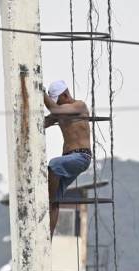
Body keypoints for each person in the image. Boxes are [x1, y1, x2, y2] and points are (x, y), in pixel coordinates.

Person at [44, 80, 92, 236]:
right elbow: (45, 121)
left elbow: (55, 110)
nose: (59, 104)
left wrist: (41, 93)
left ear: (65, 94)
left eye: (59, 100)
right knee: (55, 201)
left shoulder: (79, 106)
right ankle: (48, 238)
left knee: (53, 164)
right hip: (68, 160)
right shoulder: (61, 112)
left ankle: (50, 200)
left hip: (80, 157)